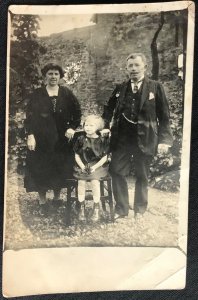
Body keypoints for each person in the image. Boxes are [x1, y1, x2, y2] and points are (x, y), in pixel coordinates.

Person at [102, 53, 173, 220]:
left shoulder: (155, 87)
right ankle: (121, 209)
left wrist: (165, 141)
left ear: (144, 67)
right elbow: (108, 109)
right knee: (116, 170)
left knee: (142, 174)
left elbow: (164, 116)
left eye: (137, 65)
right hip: (122, 138)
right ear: (126, 69)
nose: (133, 69)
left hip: (146, 138)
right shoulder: (120, 88)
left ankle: (140, 210)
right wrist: (104, 127)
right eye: (130, 66)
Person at [24, 62, 81, 214]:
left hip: (62, 140)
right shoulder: (37, 94)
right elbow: (29, 116)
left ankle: (56, 198)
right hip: (41, 139)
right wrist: (30, 135)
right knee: (41, 167)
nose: (53, 77)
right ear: (45, 76)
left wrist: (72, 128)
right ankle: (42, 201)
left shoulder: (67, 93)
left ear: (60, 76)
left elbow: (77, 113)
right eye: (50, 74)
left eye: (56, 74)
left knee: (59, 167)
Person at [73, 115, 110, 222]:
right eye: (86, 125)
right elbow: (77, 155)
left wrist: (94, 167)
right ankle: (81, 207)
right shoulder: (81, 139)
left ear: (98, 127)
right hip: (83, 164)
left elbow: (104, 157)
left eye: (91, 125)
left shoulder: (102, 140)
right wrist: (82, 166)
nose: (88, 127)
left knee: (95, 181)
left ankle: (96, 208)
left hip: (98, 166)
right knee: (81, 181)